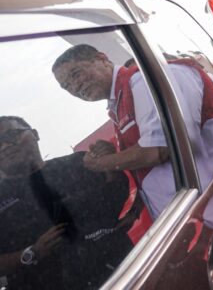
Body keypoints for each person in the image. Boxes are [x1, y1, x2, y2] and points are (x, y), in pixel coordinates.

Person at [52, 44, 213, 219]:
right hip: (198, 213)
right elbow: (152, 168)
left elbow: (158, 150)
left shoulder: (142, 82)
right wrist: (115, 157)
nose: (75, 87)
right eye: (66, 86)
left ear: (102, 59)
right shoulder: (119, 101)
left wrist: (101, 163)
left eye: (76, 74)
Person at [0, 116, 134, 289]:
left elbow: (118, 197)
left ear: (35, 134)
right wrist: (31, 253)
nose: (4, 146)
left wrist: (108, 160)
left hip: (126, 274)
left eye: (11, 135)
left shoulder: (79, 163)